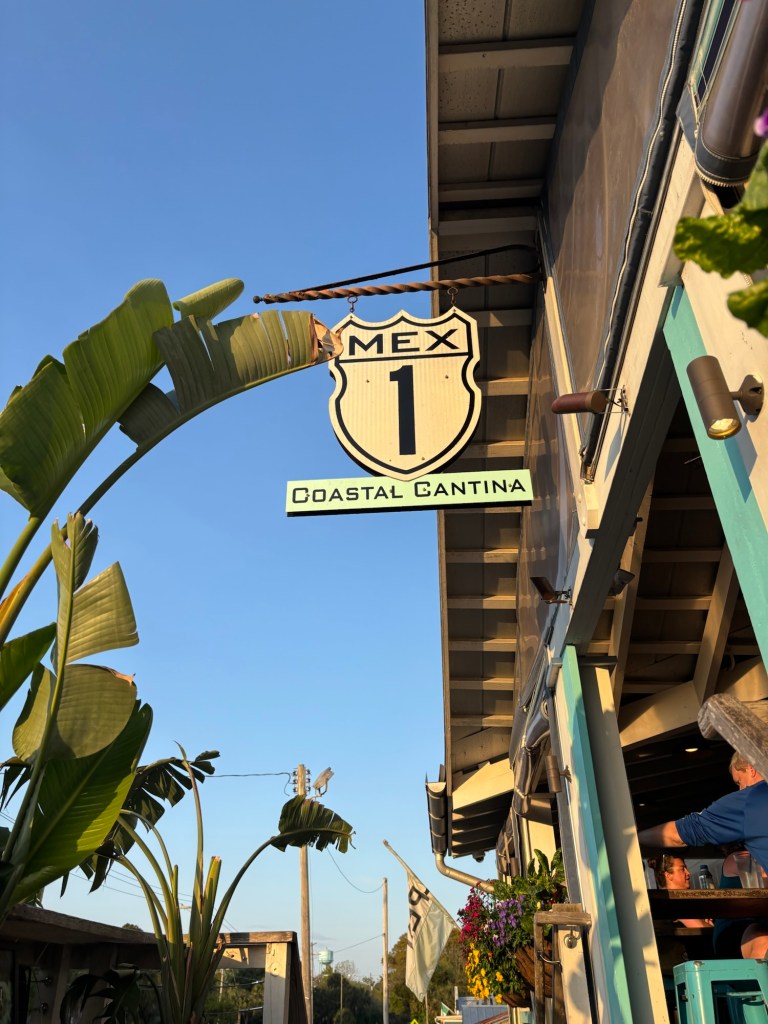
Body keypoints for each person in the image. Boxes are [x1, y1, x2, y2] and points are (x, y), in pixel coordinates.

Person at [638, 752, 768, 958]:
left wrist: (631, 837)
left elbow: (678, 835)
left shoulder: (752, 798)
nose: (740, 790)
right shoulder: (739, 860)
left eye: (739, 782)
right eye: (681, 869)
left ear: (751, 769)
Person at [653, 854, 714, 928]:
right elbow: (700, 927)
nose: (688, 873)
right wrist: (710, 926)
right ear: (668, 875)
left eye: (686, 869)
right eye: (682, 869)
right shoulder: (672, 902)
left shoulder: (674, 900)